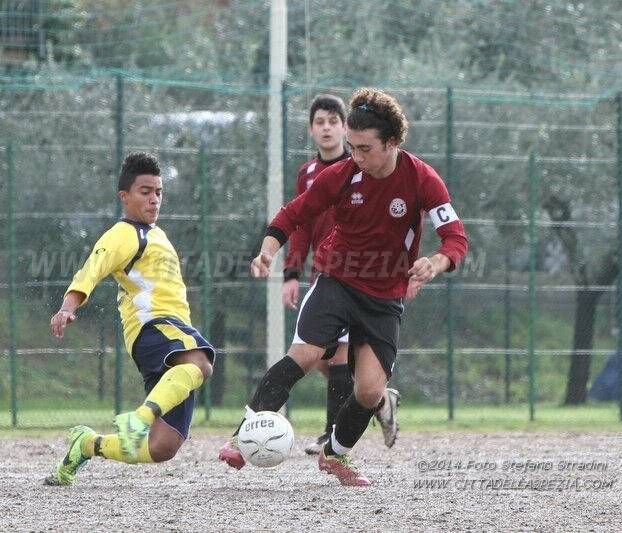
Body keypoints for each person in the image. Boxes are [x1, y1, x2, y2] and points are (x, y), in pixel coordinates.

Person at [219, 88, 468, 486]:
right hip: (336, 279)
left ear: (391, 143)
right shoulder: (342, 174)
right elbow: (292, 214)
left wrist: (436, 262)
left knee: (370, 391)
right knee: (305, 354)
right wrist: (268, 251)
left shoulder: (422, 178)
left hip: (385, 297)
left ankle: (336, 455)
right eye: (351, 147)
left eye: (365, 148)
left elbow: (456, 237)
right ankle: (242, 433)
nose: (356, 156)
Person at [44, 152, 215, 486]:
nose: (154, 199)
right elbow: (90, 271)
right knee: (201, 362)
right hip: (153, 327)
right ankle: (139, 417)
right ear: (124, 196)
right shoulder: (123, 234)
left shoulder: (157, 235)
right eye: (145, 191)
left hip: (172, 331)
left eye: (159, 192)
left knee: (162, 446)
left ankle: (87, 445)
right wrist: (68, 307)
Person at [283, 94, 399, 455]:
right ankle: (379, 400)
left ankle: (331, 436)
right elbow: (300, 223)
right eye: (320, 122)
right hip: (324, 273)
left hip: (358, 278)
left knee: (336, 358)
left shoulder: (364, 166)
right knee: (317, 356)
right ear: (311, 129)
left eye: (334, 121)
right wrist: (291, 272)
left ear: (345, 128)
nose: (327, 128)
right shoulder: (308, 174)